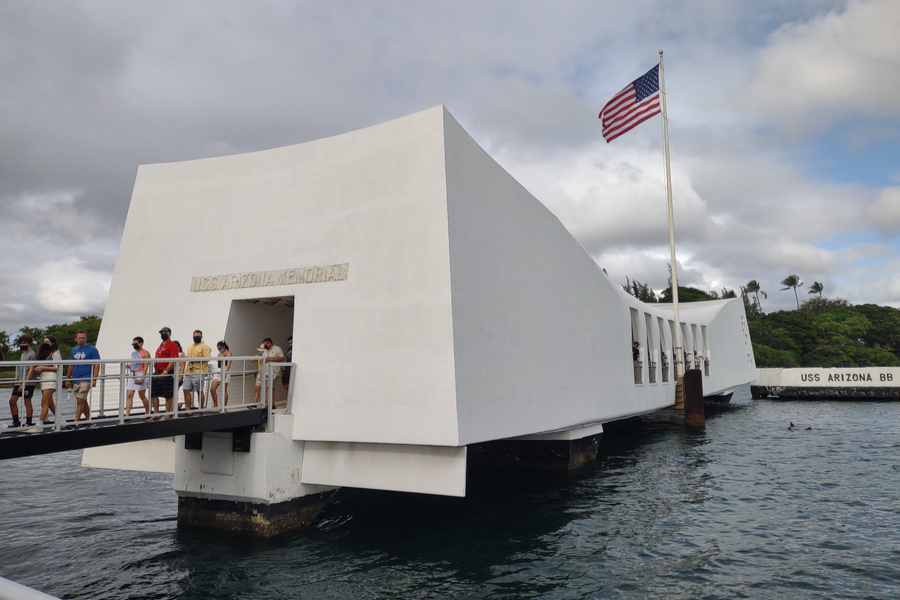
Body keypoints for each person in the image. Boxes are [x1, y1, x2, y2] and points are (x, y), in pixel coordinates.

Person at [65, 330, 100, 422]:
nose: (81, 339)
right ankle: (88, 420)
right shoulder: (74, 350)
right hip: (76, 378)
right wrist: (67, 379)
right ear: (75, 339)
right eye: (79, 338)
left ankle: (76, 421)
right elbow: (71, 365)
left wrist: (94, 379)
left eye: (83, 338)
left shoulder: (92, 350)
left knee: (81, 400)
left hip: (86, 378)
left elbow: (97, 365)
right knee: (82, 401)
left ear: (86, 338)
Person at [9, 335, 37, 428]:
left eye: (24, 343)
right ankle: (16, 422)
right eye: (21, 343)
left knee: (27, 401)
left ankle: (29, 422)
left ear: (29, 343)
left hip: (28, 382)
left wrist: (25, 382)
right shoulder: (23, 354)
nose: (22, 345)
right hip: (19, 381)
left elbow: (31, 369)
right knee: (12, 401)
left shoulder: (32, 354)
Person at [151, 327, 179, 416]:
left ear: (169, 334)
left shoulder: (172, 345)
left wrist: (166, 371)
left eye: (164, 333)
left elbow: (173, 360)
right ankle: (156, 414)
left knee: (168, 395)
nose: (162, 335)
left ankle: (167, 414)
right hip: (157, 372)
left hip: (167, 373)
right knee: (153, 393)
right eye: (161, 333)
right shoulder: (161, 345)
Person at [182, 330, 211, 411]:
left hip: (199, 371)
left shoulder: (205, 347)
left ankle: (200, 409)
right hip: (189, 371)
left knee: (199, 390)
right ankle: (188, 410)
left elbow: (207, 358)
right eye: (195, 336)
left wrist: (193, 359)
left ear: (201, 337)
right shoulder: (190, 347)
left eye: (198, 336)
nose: (196, 338)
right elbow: (188, 358)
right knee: (186, 389)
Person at [253, 337, 284, 405]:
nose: (265, 346)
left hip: (273, 372)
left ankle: (271, 404)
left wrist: (271, 359)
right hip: (265, 371)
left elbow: (282, 357)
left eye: (265, 344)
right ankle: (268, 403)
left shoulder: (277, 349)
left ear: (269, 343)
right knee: (265, 387)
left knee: (270, 387)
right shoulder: (266, 351)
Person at [125, 337, 151, 416]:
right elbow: (134, 364)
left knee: (141, 395)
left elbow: (146, 365)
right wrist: (129, 366)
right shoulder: (133, 353)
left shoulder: (145, 353)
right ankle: (127, 414)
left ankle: (148, 411)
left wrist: (143, 376)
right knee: (129, 394)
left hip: (141, 373)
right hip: (133, 374)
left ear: (141, 343)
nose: (134, 345)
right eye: (133, 344)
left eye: (136, 344)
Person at [209, 341, 232, 407]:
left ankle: (224, 406)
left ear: (224, 347)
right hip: (218, 370)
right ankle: (215, 405)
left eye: (220, 348)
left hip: (225, 369)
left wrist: (226, 372)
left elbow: (229, 363)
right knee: (212, 389)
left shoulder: (228, 353)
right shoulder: (219, 353)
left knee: (224, 390)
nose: (219, 350)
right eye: (218, 349)